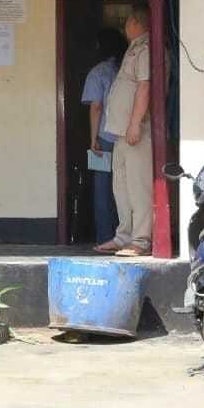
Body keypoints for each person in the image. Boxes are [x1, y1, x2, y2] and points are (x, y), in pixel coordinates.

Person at [95, 3, 153, 257]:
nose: (125, 26)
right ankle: (123, 236)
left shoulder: (146, 50)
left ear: (136, 23)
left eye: (128, 21)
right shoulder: (134, 49)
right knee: (121, 187)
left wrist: (134, 124)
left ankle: (140, 240)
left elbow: (144, 87)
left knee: (139, 187)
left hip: (135, 132)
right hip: (120, 133)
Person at [81, 28, 127, 245]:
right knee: (126, 187)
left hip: (104, 139)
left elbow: (96, 107)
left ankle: (105, 237)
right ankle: (126, 235)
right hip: (127, 137)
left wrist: (93, 139)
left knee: (102, 188)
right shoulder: (125, 69)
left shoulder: (98, 72)